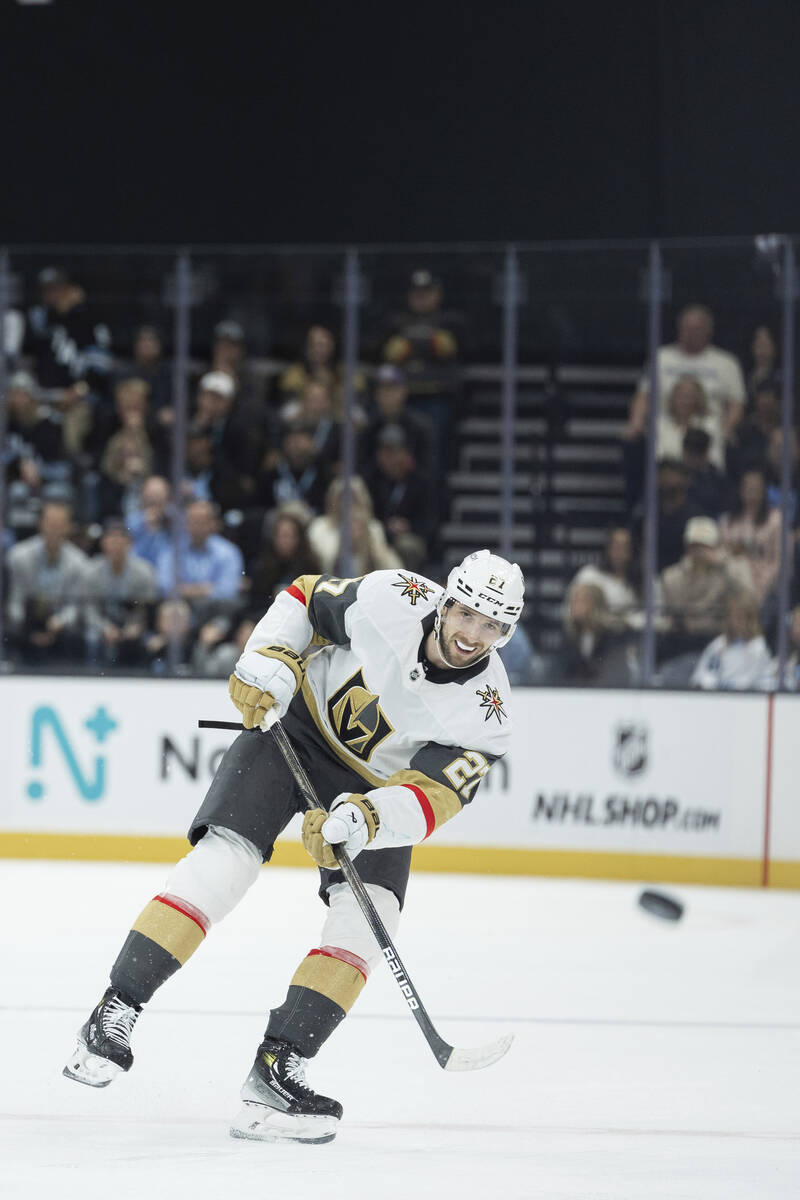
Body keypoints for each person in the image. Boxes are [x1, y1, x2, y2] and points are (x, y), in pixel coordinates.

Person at [63, 550, 524, 1145]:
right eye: (466, 614)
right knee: (222, 865)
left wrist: (367, 819)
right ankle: (113, 1012)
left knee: (368, 919)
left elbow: (434, 797)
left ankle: (277, 1072)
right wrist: (268, 657)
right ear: (445, 601)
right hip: (297, 729)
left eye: (493, 626)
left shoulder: (488, 716)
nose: (472, 635)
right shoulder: (393, 595)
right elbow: (306, 597)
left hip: (377, 790)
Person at [628, 304, 746, 453]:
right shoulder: (661, 358)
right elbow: (643, 396)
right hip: (665, 426)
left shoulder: (727, 363)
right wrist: (636, 422)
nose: (690, 333)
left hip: (709, 429)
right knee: (634, 442)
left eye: (696, 329)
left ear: (708, 331)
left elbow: (736, 403)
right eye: (686, 328)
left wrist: (727, 429)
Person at [5, 501, 89, 663]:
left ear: (68, 527)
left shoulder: (79, 562)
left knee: (75, 635)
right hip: (25, 625)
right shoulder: (18, 556)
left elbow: (75, 606)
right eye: (51, 524)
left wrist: (59, 622)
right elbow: (15, 601)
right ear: (41, 524)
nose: (54, 530)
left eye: (60, 525)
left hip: (59, 628)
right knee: (10, 631)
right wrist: (29, 625)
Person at [84, 519, 159, 666]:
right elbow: (89, 609)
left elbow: (147, 607)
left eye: (120, 540)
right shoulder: (91, 571)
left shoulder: (144, 572)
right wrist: (104, 627)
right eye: (111, 540)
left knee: (146, 641)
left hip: (132, 626)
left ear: (129, 543)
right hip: (103, 626)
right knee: (90, 638)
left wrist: (136, 626)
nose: (116, 545)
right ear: (103, 543)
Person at [154, 499, 244, 619]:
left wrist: (184, 589)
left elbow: (228, 591)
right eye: (193, 521)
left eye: (202, 521)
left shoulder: (228, 552)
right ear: (186, 523)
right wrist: (205, 589)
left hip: (216, 611)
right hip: (181, 610)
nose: (198, 526)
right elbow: (164, 586)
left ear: (213, 524)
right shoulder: (172, 550)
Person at [307, 475, 402, 576]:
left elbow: (386, 564)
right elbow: (318, 564)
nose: (347, 503)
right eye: (341, 498)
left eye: (352, 497)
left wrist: (365, 543)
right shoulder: (319, 527)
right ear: (333, 499)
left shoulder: (373, 527)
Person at [719, 467, 783, 609]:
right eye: (748, 488)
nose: (751, 494)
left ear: (764, 491)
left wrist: (763, 582)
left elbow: (778, 563)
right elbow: (722, 554)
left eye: (756, 489)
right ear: (740, 489)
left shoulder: (775, 521)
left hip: (763, 582)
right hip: (731, 578)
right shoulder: (727, 521)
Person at [691, 594, 774, 691]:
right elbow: (701, 675)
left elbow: (747, 683)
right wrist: (709, 684)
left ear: (750, 619)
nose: (736, 621)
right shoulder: (718, 645)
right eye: (733, 616)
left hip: (751, 701)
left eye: (741, 617)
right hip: (717, 699)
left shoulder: (758, 648)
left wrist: (726, 686)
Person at [566, 527, 641, 632]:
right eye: (616, 546)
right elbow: (572, 611)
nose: (620, 552)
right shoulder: (590, 575)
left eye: (625, 547)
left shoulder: (640, 582)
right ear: (608, 548)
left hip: (630, 639)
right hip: (597, 637)